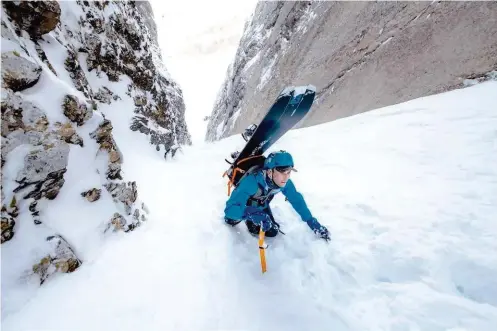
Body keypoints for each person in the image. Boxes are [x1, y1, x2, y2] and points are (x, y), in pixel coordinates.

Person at [224, 150, 330, 240]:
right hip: (245, 207)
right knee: (230, 220)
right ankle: (245, 219)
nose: (286, 177)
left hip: (262, 205)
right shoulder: (250, 183)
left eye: (289, 172)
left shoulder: (284, 183)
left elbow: (297, 200)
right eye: (282, 172)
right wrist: (248, 213)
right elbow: (229, 210)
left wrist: (311, 221)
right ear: (269, 172)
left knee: (272, 231)